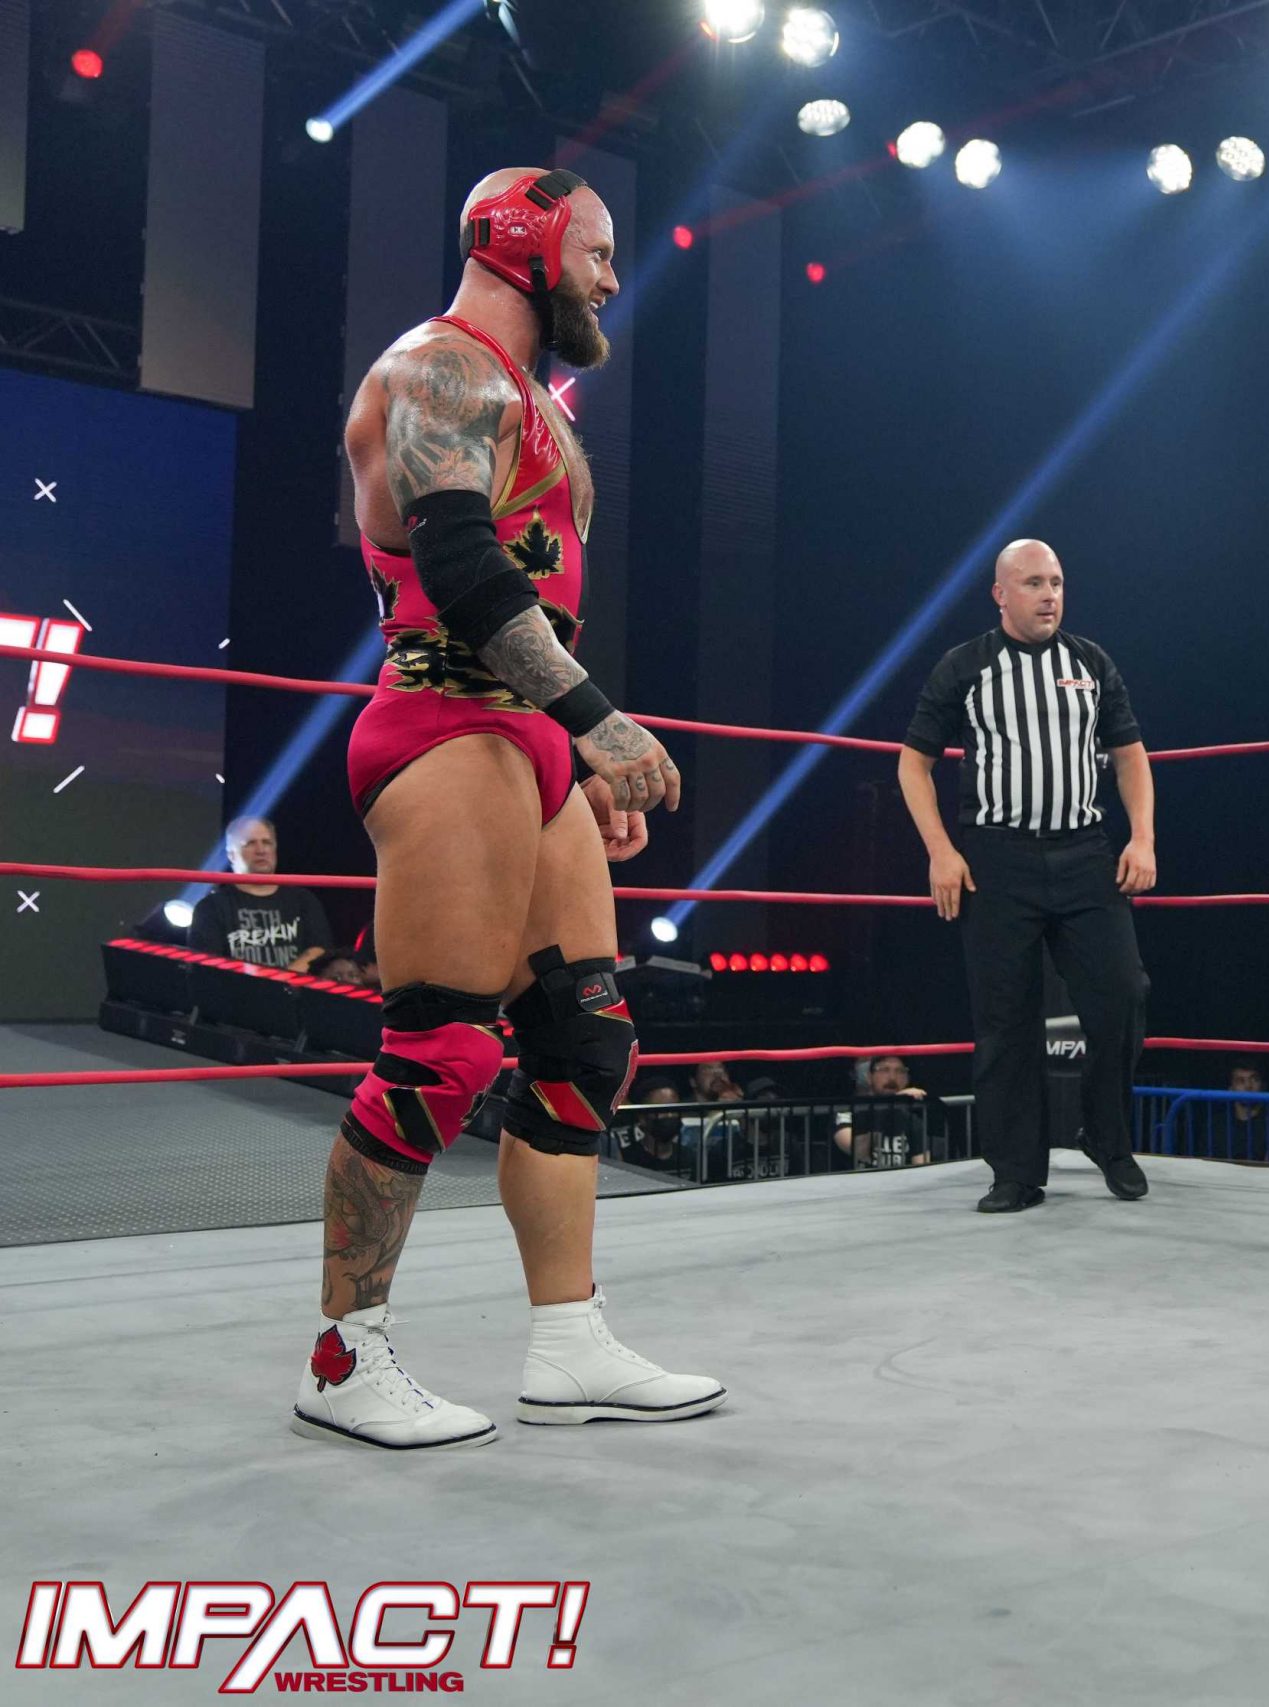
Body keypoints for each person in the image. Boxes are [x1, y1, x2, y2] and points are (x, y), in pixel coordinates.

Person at [298, 168, 721, 1450]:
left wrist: (572, 750)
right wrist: (597, 720)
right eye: (597, 251)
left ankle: (568, 1342)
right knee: (440, 1052)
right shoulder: (438, 371)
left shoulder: (530, 399)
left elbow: (534, 601)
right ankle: (342, 1358)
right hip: (444, 723)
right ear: (528, 244)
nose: (611, 277)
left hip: (526, 739)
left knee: (585, 1043)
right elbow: (460, 562)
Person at [898, 538, 1154, 1214]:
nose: (1050, 595)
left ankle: (1106, 1136)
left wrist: (1143, 837)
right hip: (997, 859)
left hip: (1085, 854)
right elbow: (913, 763)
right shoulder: (965, 665)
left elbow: (1130, 754)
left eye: (1057, 582)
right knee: (1005, 1017)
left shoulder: (1090, 662)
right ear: (1000, 593)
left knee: (1123, 994)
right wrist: (940, 850)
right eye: (1034, 582)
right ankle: (1015, 1171)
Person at [189, 817, 334, 971]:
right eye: (250, 843)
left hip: (294, 986)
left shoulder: (303, 900)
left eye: (267, 842)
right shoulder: (211, 907)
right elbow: (207, 967)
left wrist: (278, 980)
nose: (261, 850)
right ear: (231, 855)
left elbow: (319, 950)